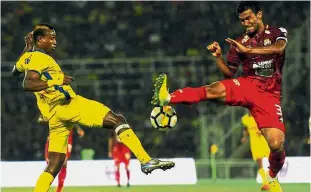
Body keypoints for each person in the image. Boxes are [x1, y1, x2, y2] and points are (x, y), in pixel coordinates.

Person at [13, 23, 175, 192]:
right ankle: (145, 160)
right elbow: (28, 83)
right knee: (117, 120)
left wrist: (27, 48)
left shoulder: (27, 58)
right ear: (40, 39)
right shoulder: (42, 58)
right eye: (51, 37)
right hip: (68, 104)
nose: (55, 42)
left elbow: (15, 71)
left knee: (53, 166)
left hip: (54, 117)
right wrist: (56, 81)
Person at [152, 2, 287, 191]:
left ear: (260, 14)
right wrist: (218, 57)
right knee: (213, 89)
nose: (246, 23)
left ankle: (272, 176)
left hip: (269, 94)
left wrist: (249, 52)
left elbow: (279, 48)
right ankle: (168, 98)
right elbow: (229, 74)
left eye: (248, 18)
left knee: (276, 143)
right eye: (242, 20)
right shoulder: (240, 42)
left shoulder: (276, 32)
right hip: (247, 85)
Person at [38, 114, 85, 192]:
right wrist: (48, 119)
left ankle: (59, 190)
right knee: (51, 165)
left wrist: (78, 129)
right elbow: (40, 120)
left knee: (64, 163)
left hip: (66, 141)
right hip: (53, 140)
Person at [240, 113, 270, 190]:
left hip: (263, 141)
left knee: (270, 159)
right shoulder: (245, 119)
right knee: (259, 162)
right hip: (254, 143)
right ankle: (265, 183)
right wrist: (244, 137)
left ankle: (272, 179)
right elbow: (245, 129)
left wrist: (261, 131)